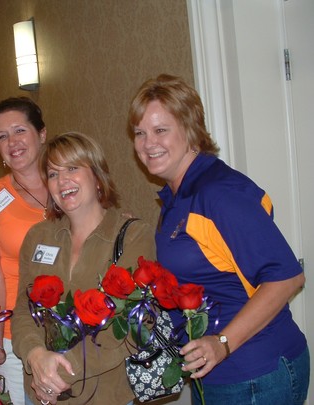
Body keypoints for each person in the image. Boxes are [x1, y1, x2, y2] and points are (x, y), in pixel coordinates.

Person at [129, 74, 309, 404]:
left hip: (254, 373)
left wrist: (222, 343)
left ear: (190, 128)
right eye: (140, 133)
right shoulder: (178, 196)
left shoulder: (218, 192)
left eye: (160, 130)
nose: (147, 143)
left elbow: (286, 278)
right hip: (215, 373)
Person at [11, 132, 156, 405]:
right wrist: (35, 356)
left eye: (72, 168)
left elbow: (134, 325)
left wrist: (62, 371)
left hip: (104, 396)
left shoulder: (133, 236)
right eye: (53, 174)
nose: (62, 180)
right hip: (41, 391)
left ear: (97, 176)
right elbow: (23, 309)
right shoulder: (38, 237)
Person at [0, 97, 48, 404]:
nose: (12, 142)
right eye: (2, 136)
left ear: (41, 133)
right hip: (16, 335)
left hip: (72, 326)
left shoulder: (68, 185)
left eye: (19, 130)